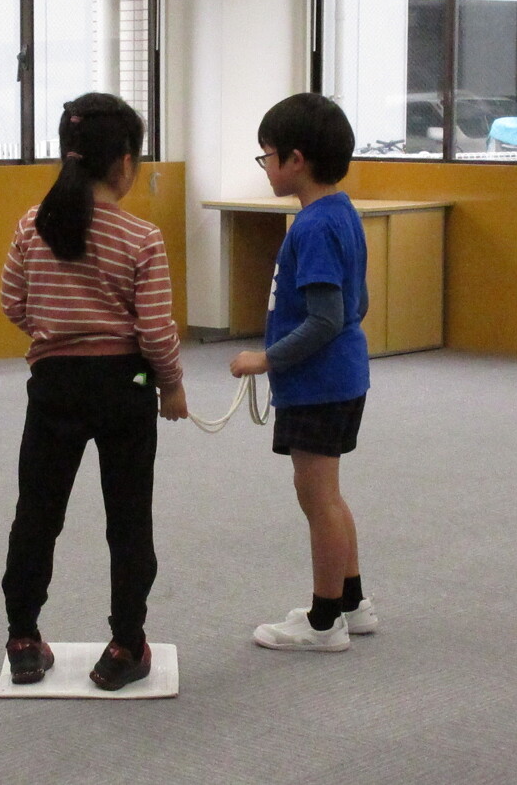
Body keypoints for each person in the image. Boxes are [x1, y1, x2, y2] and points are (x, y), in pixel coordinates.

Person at [0, 92, 188, 689]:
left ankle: (23, 639)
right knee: (128, 519)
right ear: (125, 163)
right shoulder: (141, 237)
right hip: (125, 386)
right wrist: (172, 387)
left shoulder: (32, 225)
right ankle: (126, 647)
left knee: (37, 513)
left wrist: (56, 333)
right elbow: (155, 330)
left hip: (52, 385)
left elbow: (12, 303)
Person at [230, 92, 378, 652]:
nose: (264, 166)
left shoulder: (312, 227)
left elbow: (326, 318)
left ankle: (322, 622)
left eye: (266, 155)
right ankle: (351, 602)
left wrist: (265, 358)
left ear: (295, 159)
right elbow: (357, 303)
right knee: (328, 496)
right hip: (341, 378)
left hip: (319, 385)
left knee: (317, 500)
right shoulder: (341, 212)